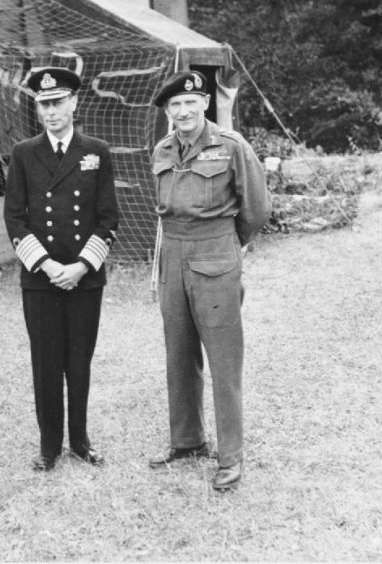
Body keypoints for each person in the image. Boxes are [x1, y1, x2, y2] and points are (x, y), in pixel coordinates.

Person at [148, 69, 270, 490]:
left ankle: (230, 456)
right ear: (168, 111)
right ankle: (187, 440)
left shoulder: (231, 146)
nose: (182, 111)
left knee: (223, 359)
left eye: (189, 103)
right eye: (174, 105)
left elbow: (256, 209)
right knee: (178, 353)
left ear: (204, 104)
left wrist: (226, 245)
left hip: (216, 252)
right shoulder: (162, 148)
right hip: (172, 255)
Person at [4, 67, 119, 471]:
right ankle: (49, 445)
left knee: (79, 360)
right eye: (44, 105)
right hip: (41, 278)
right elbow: (15, 219)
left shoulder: (97, 151)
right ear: (37, 109)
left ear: (74, 103)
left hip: (84, 279)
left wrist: (82, 266)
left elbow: (108, 218)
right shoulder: (22, 153)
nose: (51, 112)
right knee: (46, 361)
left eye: (58, 103)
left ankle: (81, 441)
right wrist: (49, 265)